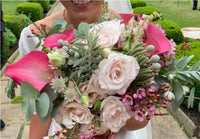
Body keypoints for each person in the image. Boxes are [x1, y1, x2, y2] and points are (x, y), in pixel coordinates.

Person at [18, 0, 152, 139]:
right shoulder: (34, 36)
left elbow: (141, 118)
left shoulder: (133, 33)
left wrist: (105, 121)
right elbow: (41, 111)